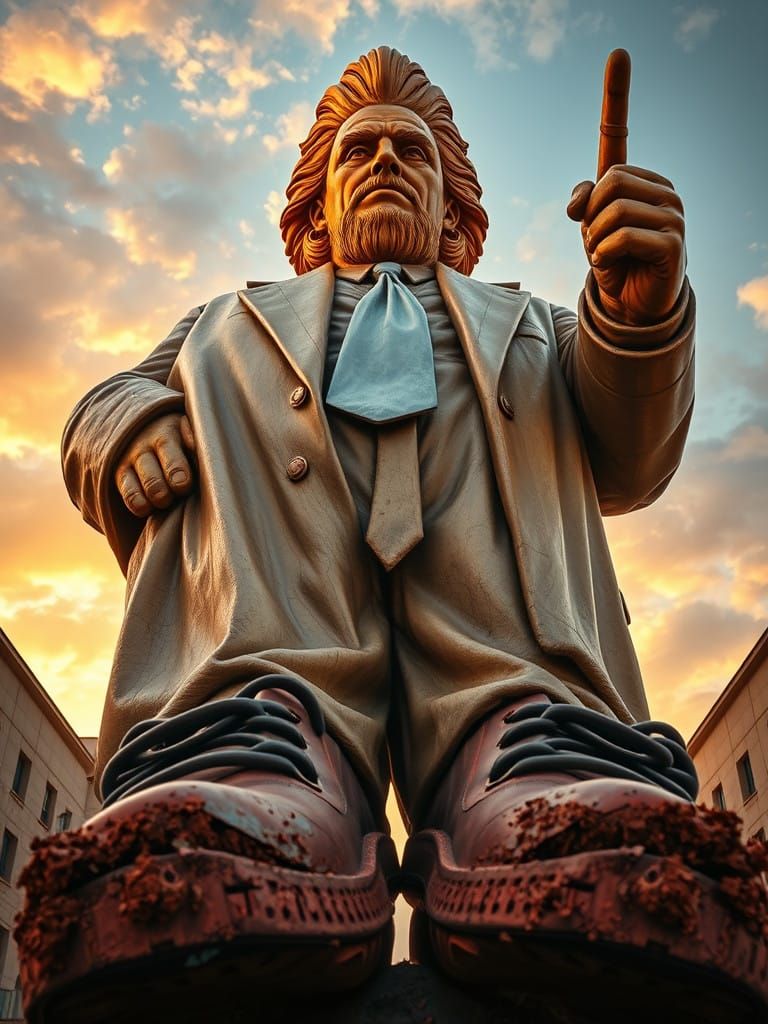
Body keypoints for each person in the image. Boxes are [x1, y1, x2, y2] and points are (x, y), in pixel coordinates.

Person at [16, 46, 767, 1023]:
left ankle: (538, 751)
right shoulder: (223, 326)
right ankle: (253, 748)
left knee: (537, 725)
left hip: (509, 640)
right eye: (356, 150)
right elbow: (105, 400)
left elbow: (631, 451)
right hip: (273, 621)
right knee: (253, 709)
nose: (381, 161)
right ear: (315, 206)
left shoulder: (535, 326)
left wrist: (639, 313)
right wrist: (126, 421)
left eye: (410, 153)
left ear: (455, 210)